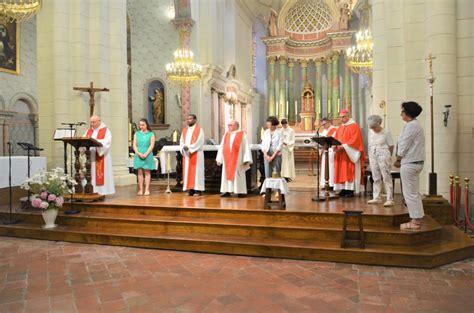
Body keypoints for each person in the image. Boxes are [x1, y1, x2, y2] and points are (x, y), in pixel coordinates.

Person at [394, 101, 425, 230]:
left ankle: (415, 222)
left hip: (410, 162)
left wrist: (398, 159)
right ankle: (416, 218)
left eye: (402, 111)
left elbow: (404, 144)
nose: (400, 114)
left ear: (407, 113)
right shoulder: (414, 125)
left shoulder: (411, 126)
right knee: (413, 193)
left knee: (410, 193)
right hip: (414, 162)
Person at [333, 109, 365, 197]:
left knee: (349, 171)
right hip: (341, 153)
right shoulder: (341, 127)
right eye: (340, 117)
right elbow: (336, 138)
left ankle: (350, 190)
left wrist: (344, 146)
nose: (341, 119)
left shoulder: (354, 126)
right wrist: (334, 146)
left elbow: (355, 140)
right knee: (341, 172)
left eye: (343, 117)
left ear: (348, 116)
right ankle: (343, 189)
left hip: (350, 154)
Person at [216, 121, 252, 197]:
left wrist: (246, 159)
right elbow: (222, 146)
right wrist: (219, 158)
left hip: (238, 159)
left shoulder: (242, 134)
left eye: (230, 125)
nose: (228, 126)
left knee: (238, 174)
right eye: (228, 125)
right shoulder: (226, 134)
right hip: (227, 159)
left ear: (236, 126)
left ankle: (240, 191)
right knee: (226, 174)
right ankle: (227, 190)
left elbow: (246, 147)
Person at [367, 115, 394, 206]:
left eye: (374, 127)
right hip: (372, 154)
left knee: (386, 177)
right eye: (371, 127)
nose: (373, 129)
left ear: (378, 124)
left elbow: (391, 146)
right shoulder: (370, 131)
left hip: (383, 154)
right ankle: (376, 197)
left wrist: (388, 156)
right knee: (375, 177)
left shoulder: (386, 132)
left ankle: (390, 199)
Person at [84, 115, 115, 195]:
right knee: (91, 173)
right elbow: (83, 139)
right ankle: (91, 190)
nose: (91, 124)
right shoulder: (89, 130)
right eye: (91, 122)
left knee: (99, 174)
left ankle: (101, 191)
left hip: (101, 156)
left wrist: (96, 143)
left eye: (93, 122)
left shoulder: (105, 130)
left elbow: (107, 143)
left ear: (99, 121)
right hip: (90, 156)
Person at [180, 114, 205, 196]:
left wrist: (190, 148)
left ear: (195, 120)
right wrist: (184, 147)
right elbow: (181, 141)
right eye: (187, 119)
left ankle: (198, 189)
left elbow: (199, 141)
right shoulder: (184, 130)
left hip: (196, 154)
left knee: (197, 172)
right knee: (187, 172)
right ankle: (191, 189)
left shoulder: (199, 130)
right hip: (187, 155)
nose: (188, 120)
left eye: (190, 118)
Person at [133, 118, 156, 196]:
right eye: (140, 125)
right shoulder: (136, 134)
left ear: (146, 125)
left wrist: (146, 154)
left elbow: (152, 145)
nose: (141, 126)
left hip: (148, 153)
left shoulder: (151, 134)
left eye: (143, 125)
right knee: (139, 172)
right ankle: (140, 189)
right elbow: (134, 145)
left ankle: (147, 189)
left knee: (147, 172)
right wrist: (138, 153)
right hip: (138, 153)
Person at [319, 118, 337, 188]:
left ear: (329, 122)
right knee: (324, 167)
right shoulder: (324, 131)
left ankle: (331, 184)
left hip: (331, 152)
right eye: (322, 125)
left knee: (331, 168)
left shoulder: (334, 130)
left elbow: (334, 141)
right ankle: (325, 183)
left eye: (324, 124)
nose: (323, 126)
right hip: (325, 151)